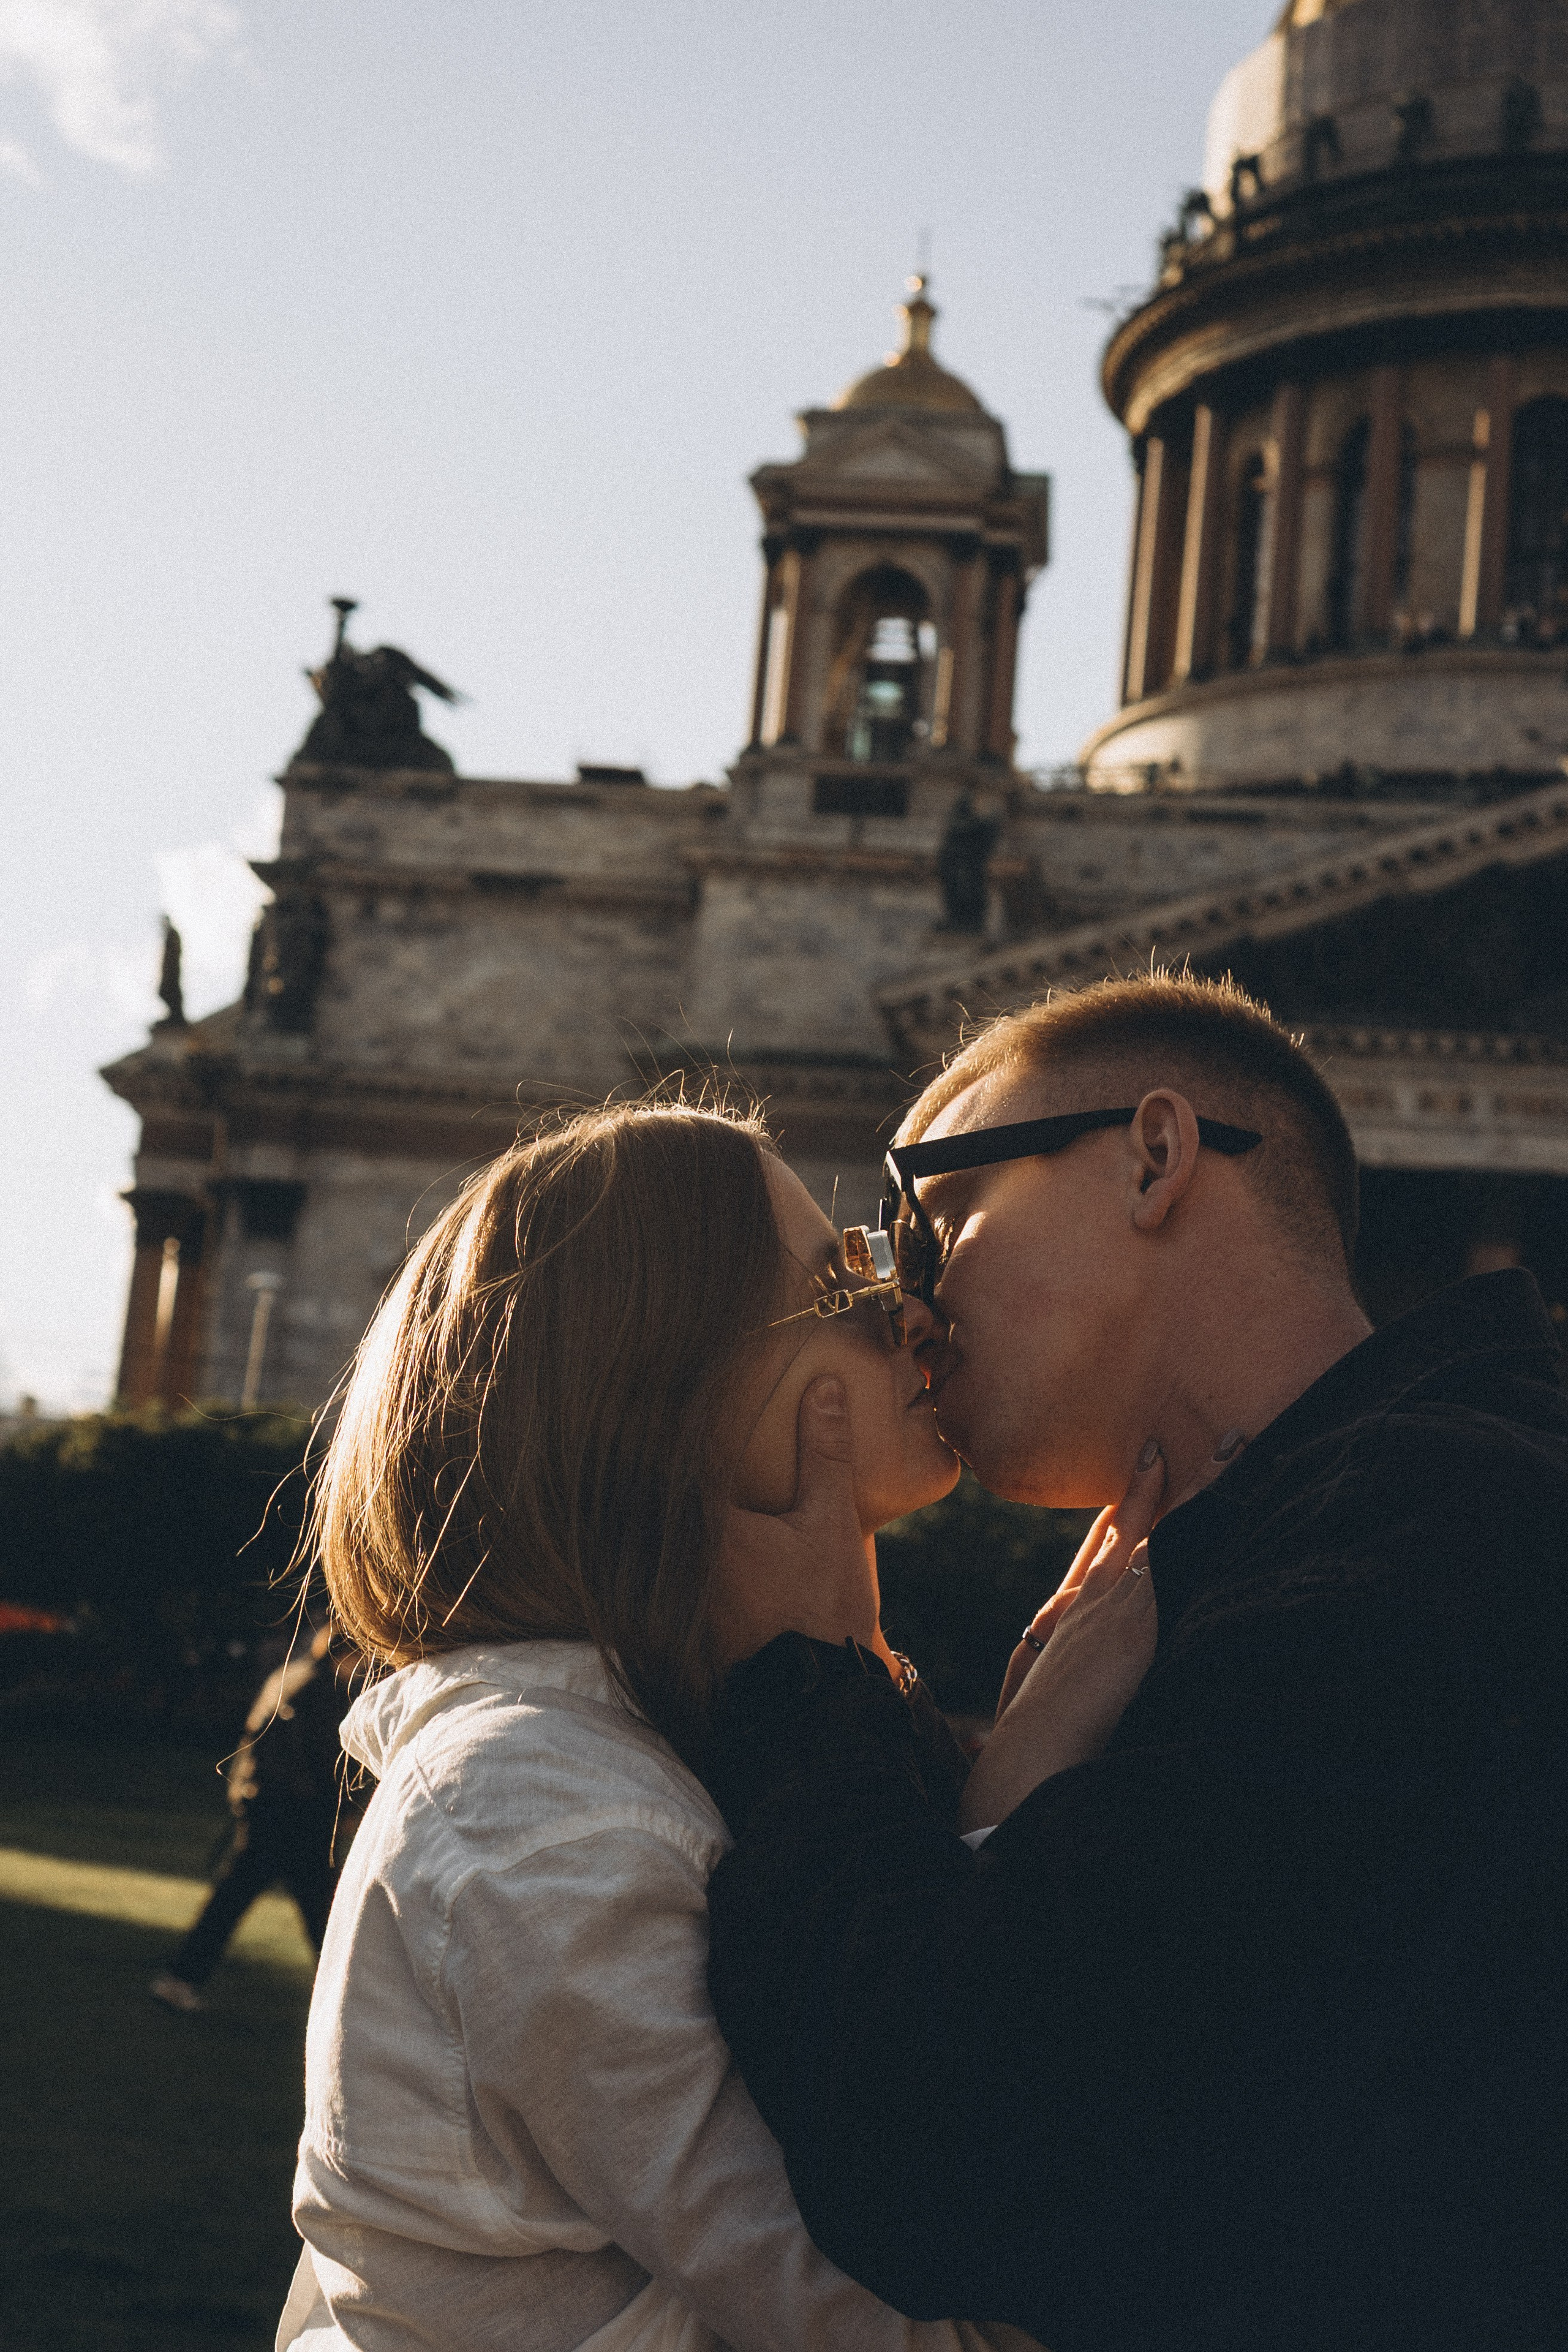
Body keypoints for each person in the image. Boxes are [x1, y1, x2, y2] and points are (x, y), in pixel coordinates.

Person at [704, 974, 1568, 2352]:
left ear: (1153, 1158)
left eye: (930, 1226)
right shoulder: (1363, 1523)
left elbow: (940, 2155)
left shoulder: (1416, 1554)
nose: (907, 1313)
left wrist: (816, 1673)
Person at [275, 1101, 1061, 2352]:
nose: (910, 1316)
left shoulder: (642, 1747)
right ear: (667, 1389)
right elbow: (890, 2321)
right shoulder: (539, 1810)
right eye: (843, 1282)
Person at [151, 1625, 358, 2013]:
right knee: (324, 1914)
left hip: (265, 1802)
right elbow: (324, 1759)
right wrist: (342, 1810)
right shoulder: (324, 1690)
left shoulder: (289, 1677)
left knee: (237, 1899)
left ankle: (179, 1979)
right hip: (296, 1813)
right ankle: (348, 2001)